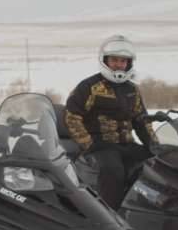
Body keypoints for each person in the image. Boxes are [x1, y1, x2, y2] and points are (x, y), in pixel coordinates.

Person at [65, 35, 154, 208]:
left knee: (154, 165)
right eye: (114, 60)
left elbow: (141, 120)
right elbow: (72, 117)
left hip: (126, 144)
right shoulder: (89, 87)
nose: (119, 65)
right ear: (105, 60)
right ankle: (109, 214)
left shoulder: (132, 89)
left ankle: (140, 208)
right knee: (113, 171)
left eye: (123, 61)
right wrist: (88, 144)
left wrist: (154, 146)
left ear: (129, 64)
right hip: (100, 144)